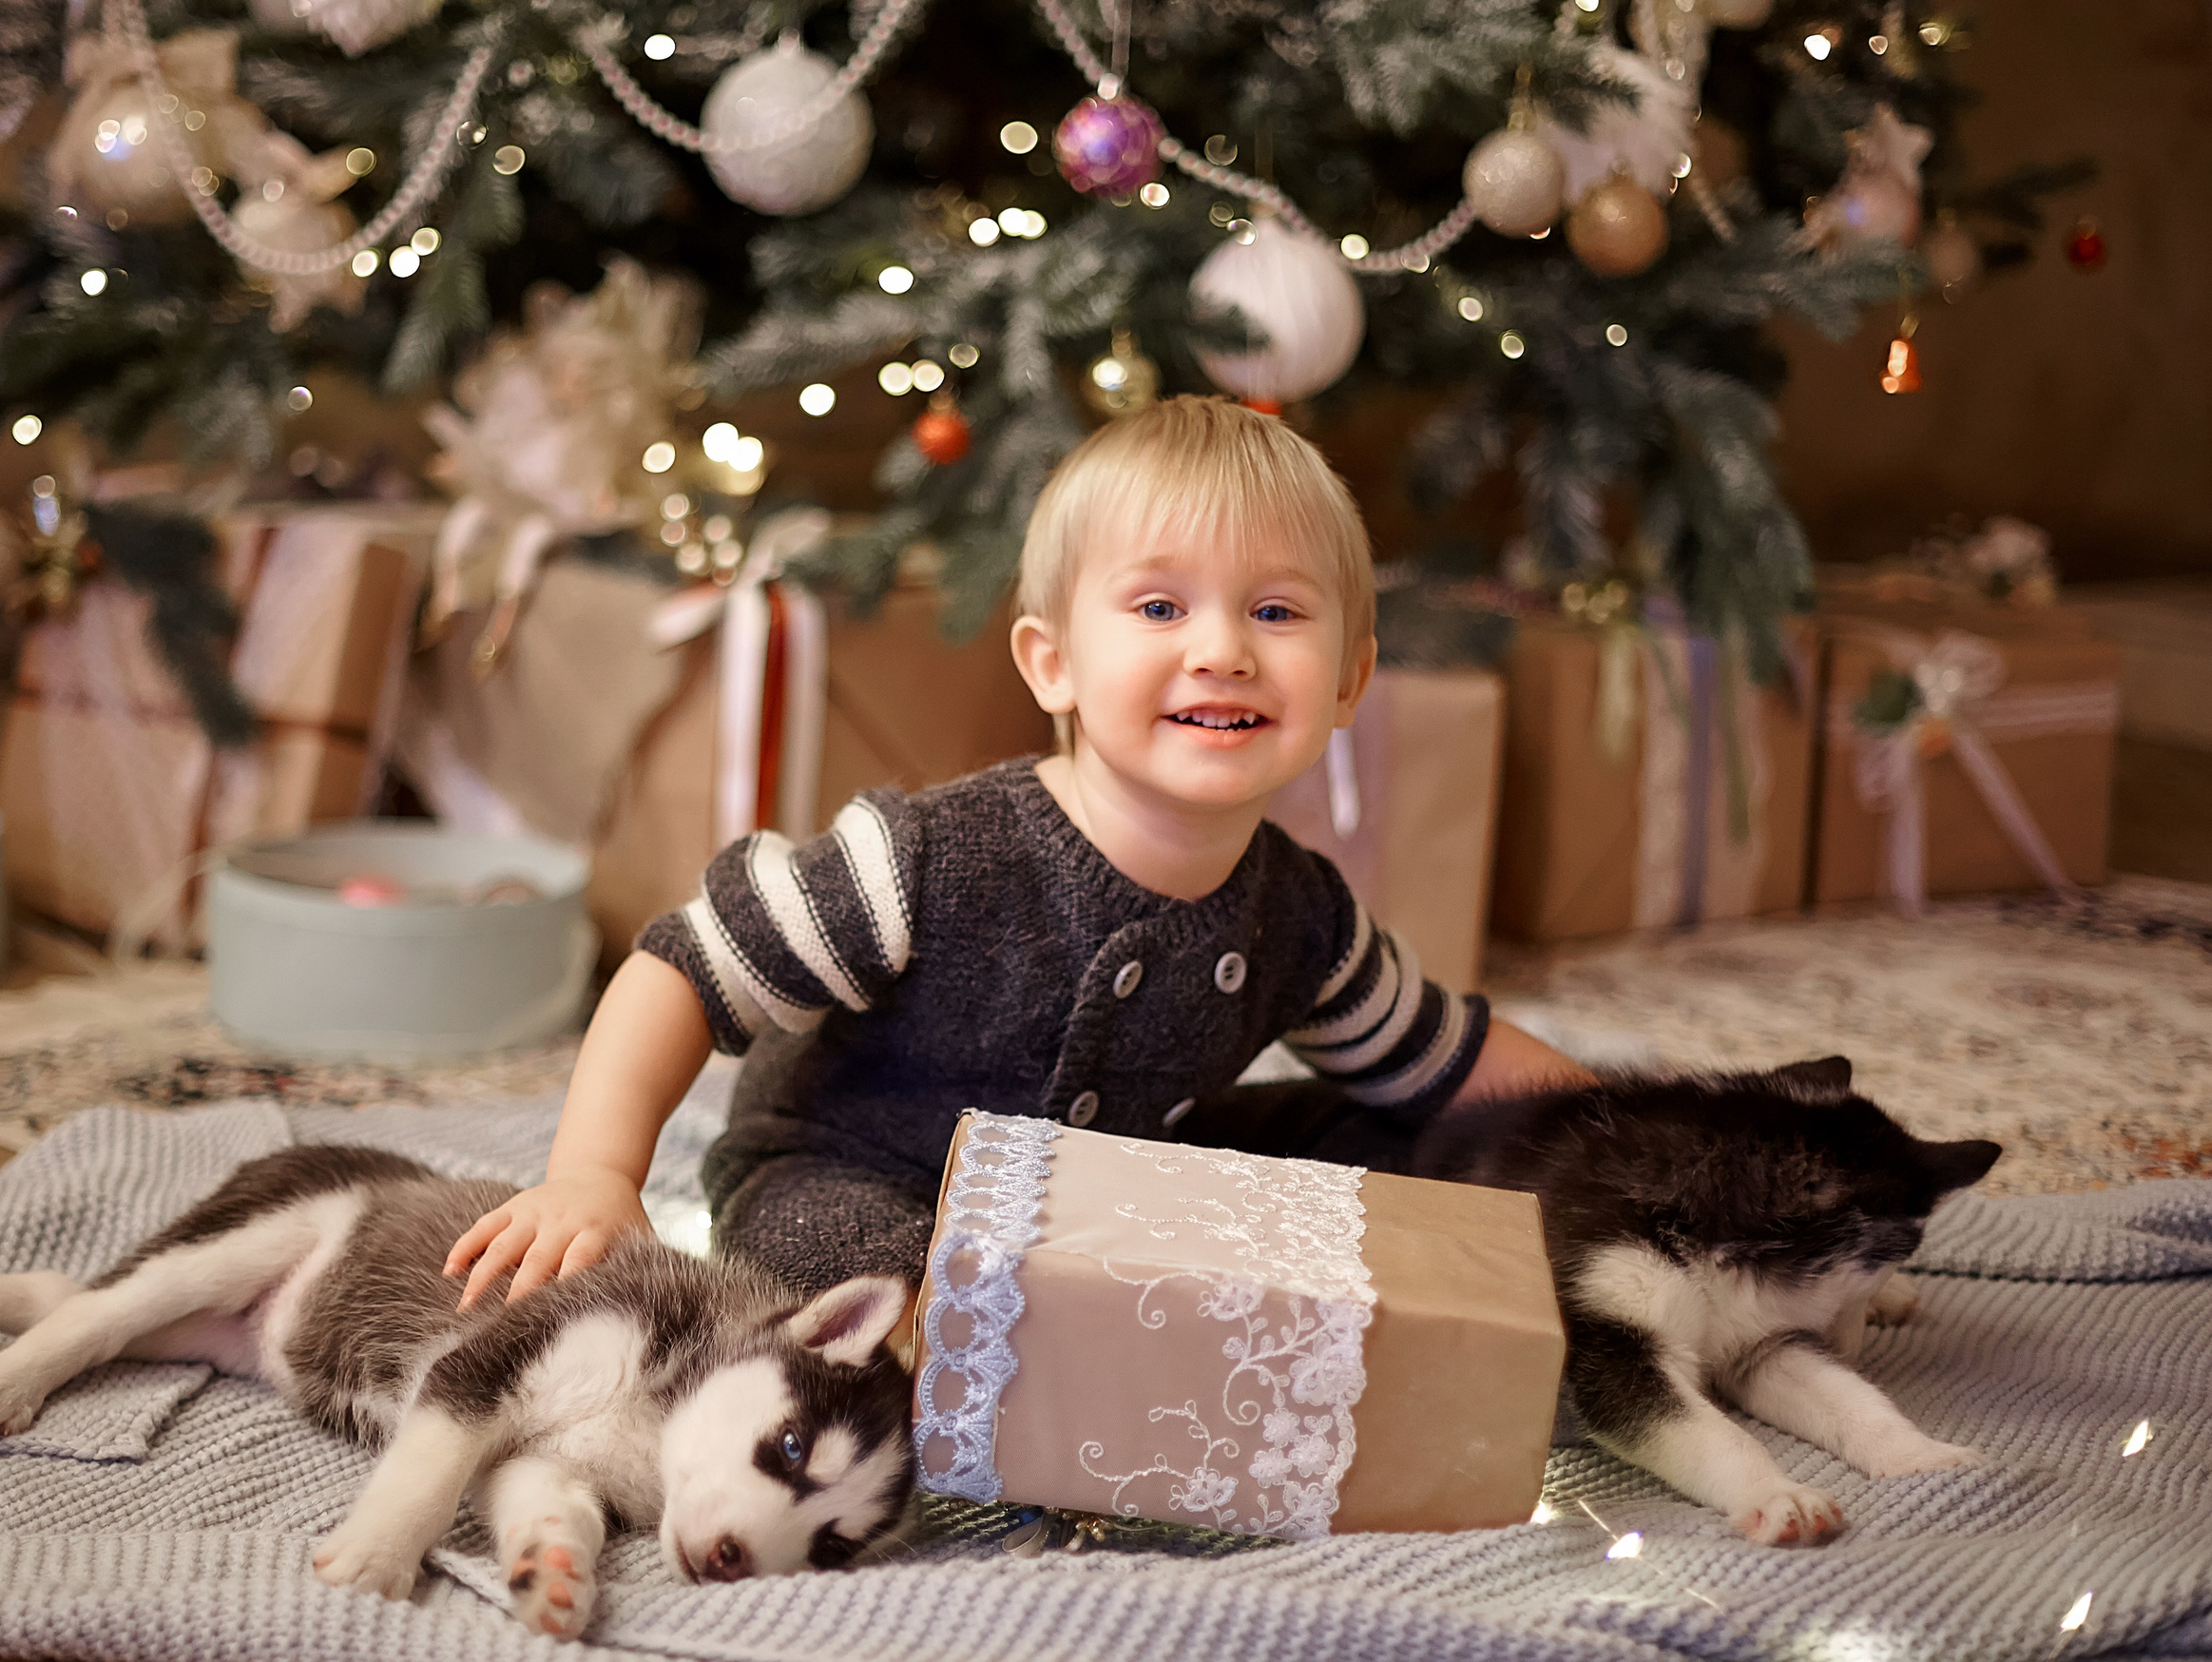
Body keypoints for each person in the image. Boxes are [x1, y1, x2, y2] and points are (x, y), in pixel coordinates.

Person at [446, 396, 1586, 1308]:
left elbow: (1436, 1052)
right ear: (1052, 666)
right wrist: (595, 1173)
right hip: (856, 1169)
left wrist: (1636, 1115)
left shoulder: (1300, 914)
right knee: (870, 1277)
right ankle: (1019, 1369)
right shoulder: (929, 860)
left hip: (1107, 1194)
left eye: (1277, 614)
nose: (1223, 651)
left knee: (1368, 1134)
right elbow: (684, 967)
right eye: (1157, 608)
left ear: (1348, 681)